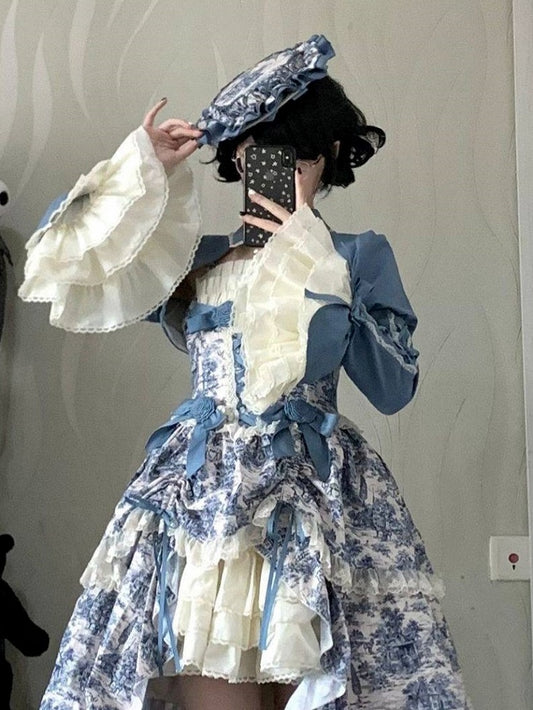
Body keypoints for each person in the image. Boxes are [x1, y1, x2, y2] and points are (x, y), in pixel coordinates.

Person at [19, 35, 473, 710]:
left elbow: (393, 386)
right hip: (204, 506)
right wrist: (142, 168)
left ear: (330, 157)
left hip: (320, 502)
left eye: (301, 156)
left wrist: (318, 266)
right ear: (237, 157)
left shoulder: (355, 255)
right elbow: (66, 260)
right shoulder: (195, 259)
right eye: (262, 153)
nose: (281, 171)